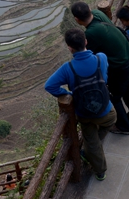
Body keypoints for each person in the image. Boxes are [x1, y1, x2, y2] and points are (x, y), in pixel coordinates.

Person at [44, 28, 117, 181]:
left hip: (84, 114)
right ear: (85, 41)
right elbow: (106, 77)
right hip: (105, 111)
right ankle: (91, 148)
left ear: (69, 47)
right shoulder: (101, 58)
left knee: (91, 139)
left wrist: (70, 95)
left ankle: (100, 171)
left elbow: (49, 86)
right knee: (111, 120)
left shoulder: (67, 69)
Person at [71, 2, 129, 135]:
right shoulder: (98, 14)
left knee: (114, 97)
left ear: (77, 19)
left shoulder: (90, 34)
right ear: (89, 10)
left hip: (120, 66)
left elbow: (87, 55)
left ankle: (124, 126)